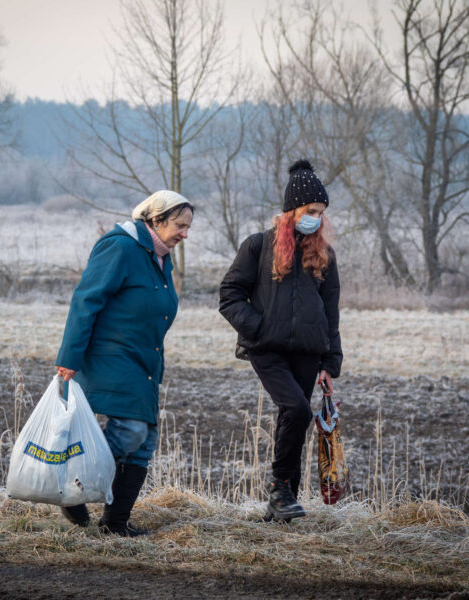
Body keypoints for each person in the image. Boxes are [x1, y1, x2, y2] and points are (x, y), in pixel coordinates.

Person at [55, 190, 193, 536]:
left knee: (144, 440)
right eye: (179, 225)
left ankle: (115, 524)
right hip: (112, 355)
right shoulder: (120, 246)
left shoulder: (159, 257)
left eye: (188, 227)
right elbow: (85, 300)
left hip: (144, 361)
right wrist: (69, 357)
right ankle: (73, 488)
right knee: (131, 429)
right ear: (155, 220)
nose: (185, 234)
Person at [218, 159, 342, 522]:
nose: (316, 218)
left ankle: (284, 505)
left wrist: (329, 364)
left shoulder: (324, 256)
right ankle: (279, 491)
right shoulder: (258, 247)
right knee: (298, 409)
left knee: (295, 420)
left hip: (308, 351)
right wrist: (257, 327)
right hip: (266, 349)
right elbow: (229, 295)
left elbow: (331, 313)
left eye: (320, 212)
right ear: (292, 210)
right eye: (310, 210)